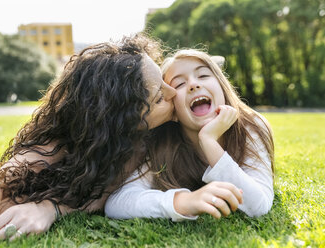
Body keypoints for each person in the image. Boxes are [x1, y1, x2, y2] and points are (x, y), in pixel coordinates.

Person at [0, 34, 177, 240]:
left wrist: (53, 208)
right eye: (159, 98)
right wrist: (50, 208)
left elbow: (105, 194)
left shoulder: (157, 128)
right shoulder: (55, 146)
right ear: (124, 121)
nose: (174, 93)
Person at [104, 49, 274, 221]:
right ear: (173, 111)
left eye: (203, 76)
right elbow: (117, 203)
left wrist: (209, 142)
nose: (194, 85)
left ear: (222, 87)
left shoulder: (251, 126)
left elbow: (259, 205)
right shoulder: (163, 144)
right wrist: (183, 202)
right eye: (179, 84)